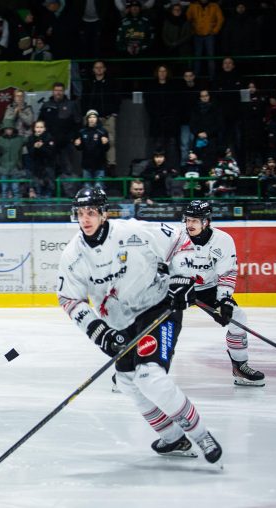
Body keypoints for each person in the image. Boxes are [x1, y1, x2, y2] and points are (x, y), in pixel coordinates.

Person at [57, 188, 223, 464]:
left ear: (104, 213)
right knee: (127, 382)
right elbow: (70, 299)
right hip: (119, 324)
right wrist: (99, 331)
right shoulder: (72, 256)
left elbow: (181, 241)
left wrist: (182, 278)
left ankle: (201, 434)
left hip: (157, 308)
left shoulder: (132, 232)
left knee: (150, 377)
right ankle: (173, 438)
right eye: (81, 213)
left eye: (91, 212)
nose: (85, 219)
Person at [171, 200, 265, 386]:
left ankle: (239, 366)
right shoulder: (176, 237)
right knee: (163, 327)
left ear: (206, 222)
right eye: (188, 220)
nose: (190, 224)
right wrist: (177, 286)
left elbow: (227, 272)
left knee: (237, 318)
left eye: (195, 221)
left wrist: (224, 300)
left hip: (208, 289)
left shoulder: (223, 240)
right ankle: (143, 370)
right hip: (178, 288)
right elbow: (164, 266)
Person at [74, 110, 110, 190]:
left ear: (97, 119)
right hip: (86, 165)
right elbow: (80, 148)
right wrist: (77, 144)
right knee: (87, 188)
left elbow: (107, 148)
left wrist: (105, 143)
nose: (92, 119)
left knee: (99, 188)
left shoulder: (103, 131)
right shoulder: (82, 132)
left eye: (94, 117)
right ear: (87, 119)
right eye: (90, 117)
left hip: (100, 165)